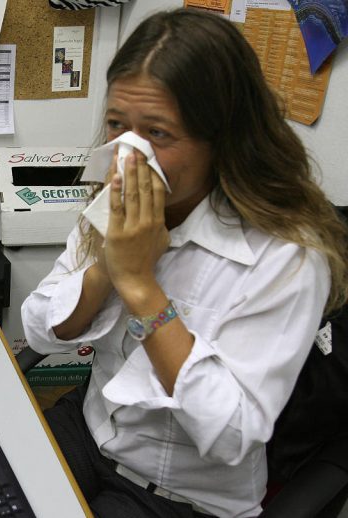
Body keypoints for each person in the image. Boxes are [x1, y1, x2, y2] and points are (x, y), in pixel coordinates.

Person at [21, 8, 348, 518]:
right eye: (116, 125)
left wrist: (140, 286)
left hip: (177, 495)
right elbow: (40, 330)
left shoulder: (287, 255)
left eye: (158, 133)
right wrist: (110, 265)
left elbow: (230, 434)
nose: (128, 156)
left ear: (223, 141)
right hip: (91, 432)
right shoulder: (119, 199)